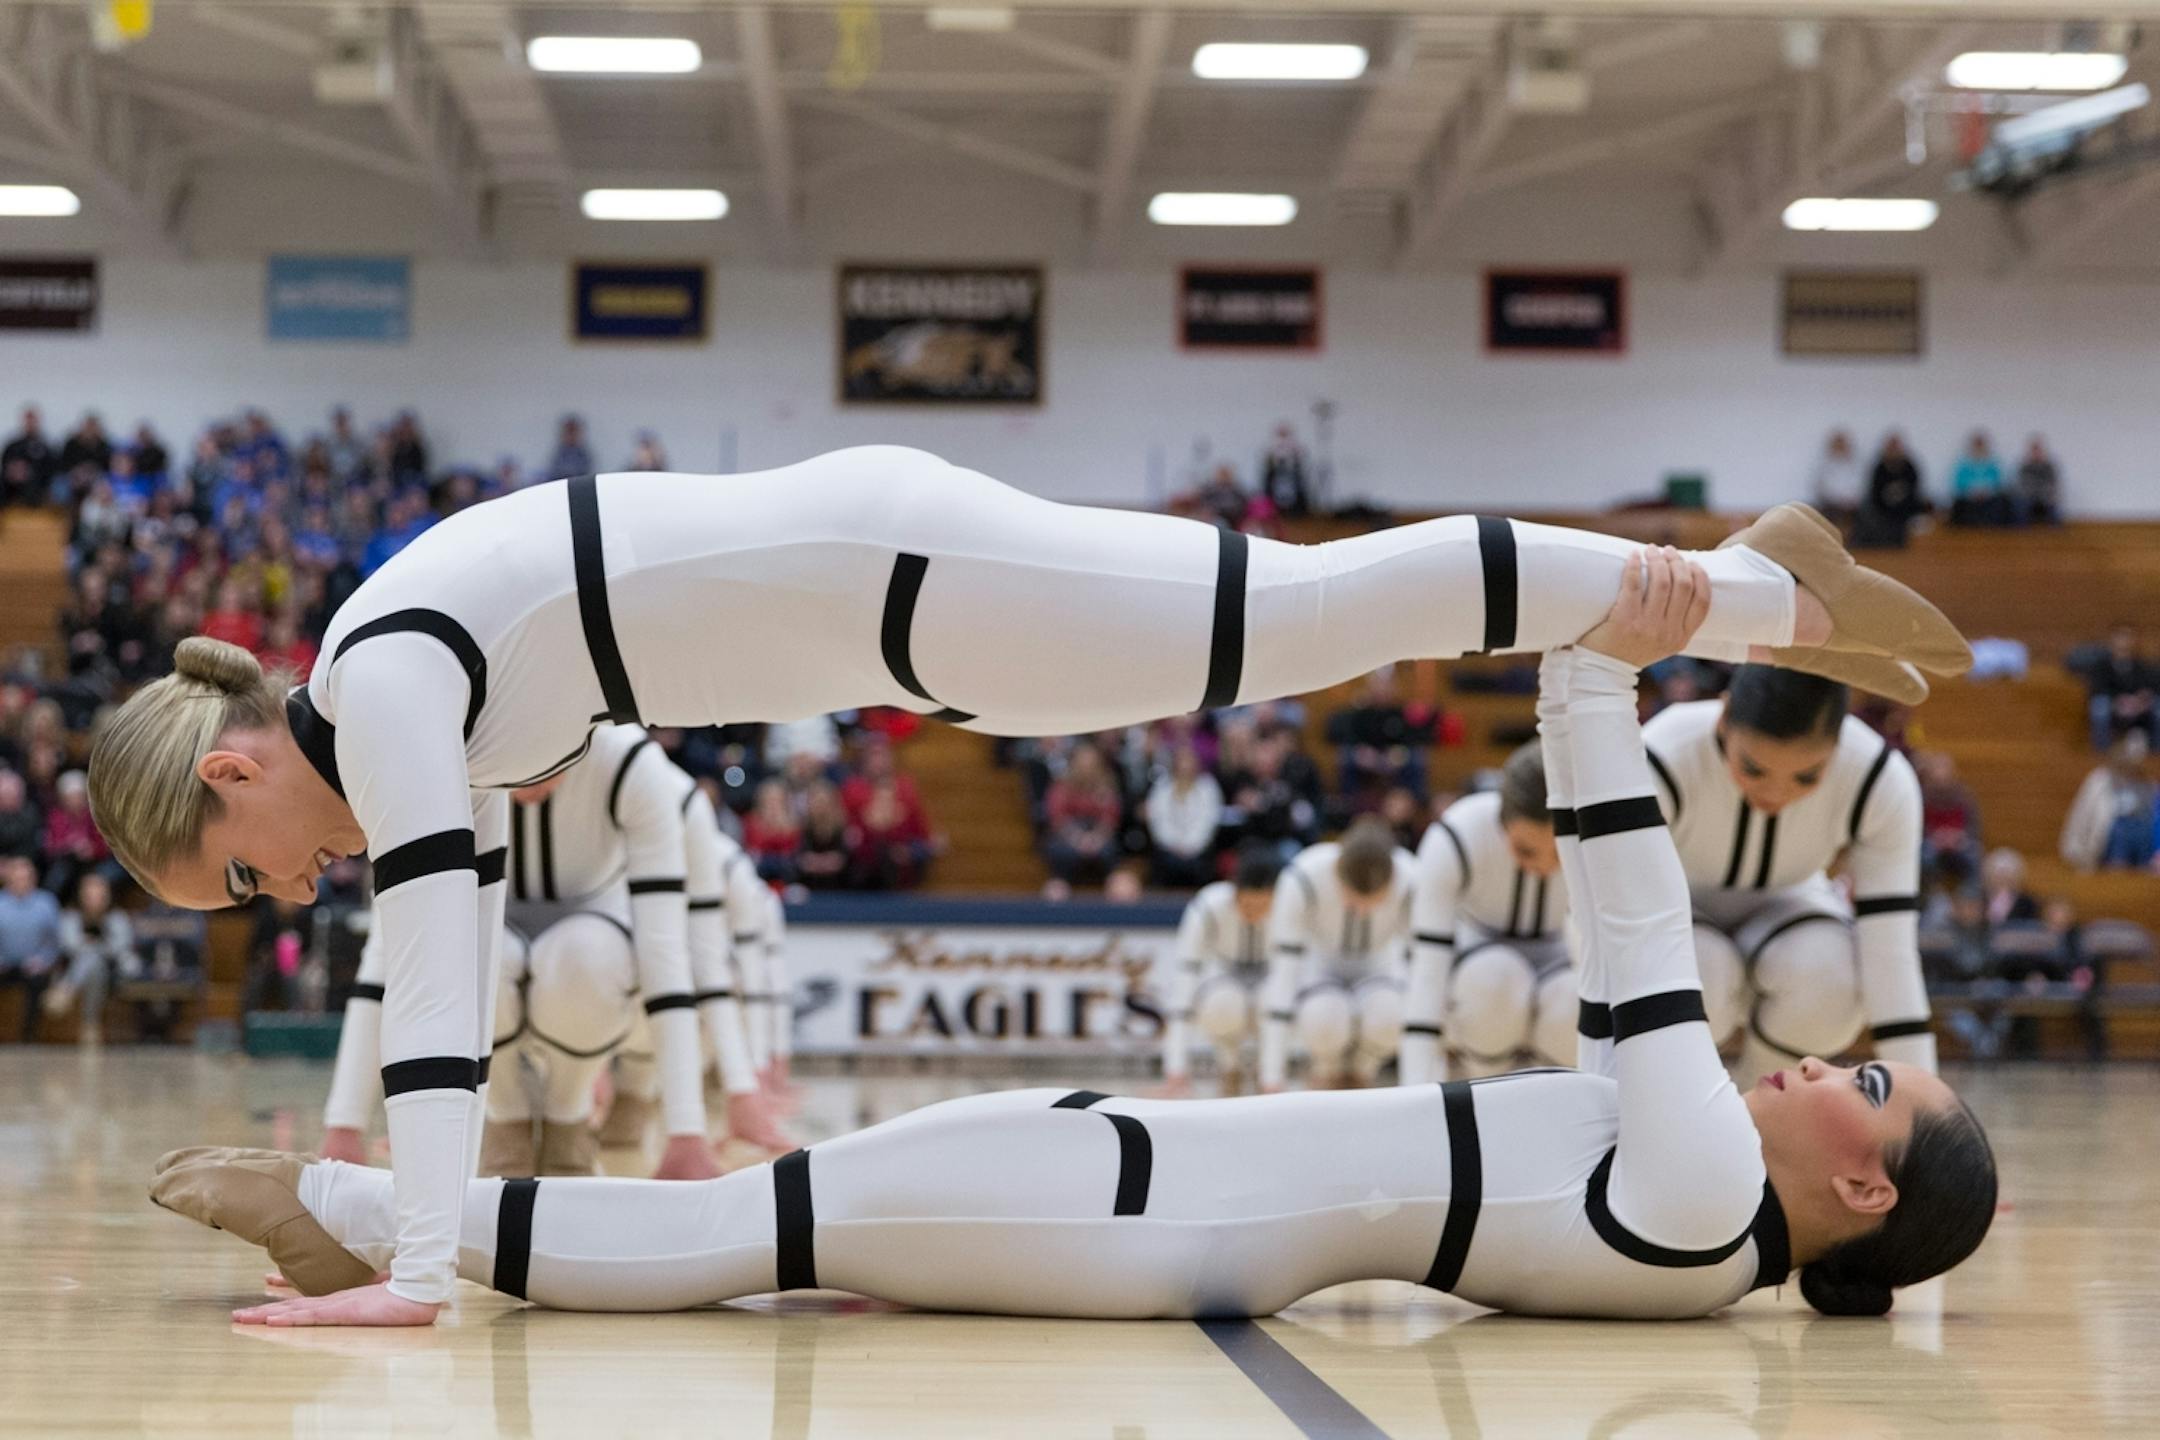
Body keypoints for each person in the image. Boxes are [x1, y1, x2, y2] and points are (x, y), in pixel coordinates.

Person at [89, 453, 1966, 1327]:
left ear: (238, 763)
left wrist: (419, 1260)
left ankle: (1756, 592)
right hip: (910, 609)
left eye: (236, 875)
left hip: (913, 584)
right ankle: (1744, 592)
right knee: (1300, 615)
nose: (276, 897)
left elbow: (436, 964)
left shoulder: (387, 679)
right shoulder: (396, 678)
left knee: (1301, 611)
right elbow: (444, 950)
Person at [320, 725, 782, 1179]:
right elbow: (392, 949)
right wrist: (343, 1126)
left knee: (588, 956)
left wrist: (687, 1131)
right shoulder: (440, 760)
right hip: (501, 951)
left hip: (600, 961)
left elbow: (670, 956)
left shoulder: (635, 767)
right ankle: (507, 1117)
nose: (532, 766)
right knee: (475, 954)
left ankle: (572, 1109)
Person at [1641, 664, 1936, 1083]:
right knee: (1700, 975)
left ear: (1839, 742)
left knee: (1831, 983)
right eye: (1754, 768)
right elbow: (1615, 916)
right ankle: (1684, 1110)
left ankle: (1759, 1118)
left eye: (1807, 776)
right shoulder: (1663, 752)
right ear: (1724, 719)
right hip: (1673, 910)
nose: (1775, 793)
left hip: (1792, 907)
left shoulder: (1878, 778)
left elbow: (1890, 953)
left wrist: (1924, 1109)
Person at [1402, 742, 1573, 1083]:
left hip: (1557, 957)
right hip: (1476, 965)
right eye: (1526, 850)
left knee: (1576, 1000)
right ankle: (1487, 1088)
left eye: (1560, 852)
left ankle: (1551, 1094)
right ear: (1501, 820)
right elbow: (1427, 970)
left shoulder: (1594, 837)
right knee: (1496, 981)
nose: (1543, 867)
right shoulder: (1456, 835)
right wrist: (1413, 1090)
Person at [1257, 818, 1417, 1090]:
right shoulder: (1303, 876)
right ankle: (1325, 1071)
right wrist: (1272, 1076)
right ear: (1336, 872)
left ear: (1391, 880)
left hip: (1379, 969)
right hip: (1320, 970)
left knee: (1391, 1016)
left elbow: (1425, 973)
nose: (1362, 911)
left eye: (1372, 901)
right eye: (1353, 899)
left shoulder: (1413, 878)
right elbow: (1283, 974)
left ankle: (1364, 1071)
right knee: (1324, 1018)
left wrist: (1420, 1085)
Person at [1158, 845, 1278, 1094]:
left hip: (1271, 983)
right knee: (1223, 1003)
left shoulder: (1289, 907)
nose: (1253, 914)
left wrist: (1275, 1074)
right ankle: (1229, 1066)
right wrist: (1175, 1068)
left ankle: (1266, 1071)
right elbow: (1184, 985)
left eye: (1262, 906)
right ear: (1233, 891)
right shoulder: (1208, 906)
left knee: (1276, 1001)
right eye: (1247, 905)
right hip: (1223, 985)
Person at [2059, 731, 2157, 872]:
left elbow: (2154, 816)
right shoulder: (2099, 780)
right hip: (2106, 839)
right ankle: (2118, 869)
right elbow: (2081, 815)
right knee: (2120, 830)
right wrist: (2075, 848)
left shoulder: (2148, 784)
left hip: (2142, 837)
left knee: (2143, 830)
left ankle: (2145, 870)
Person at [1143, 743, 1223, 888]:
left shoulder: (1208, 787)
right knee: (1163, 861)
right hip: (1168, 849)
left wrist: (1190, 846)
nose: (1185, 766)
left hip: (1198, 849)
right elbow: (1158, 821)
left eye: (1189, 761)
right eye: (1182, 761)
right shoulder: (1162, 787)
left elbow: (1208, 821)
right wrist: (1174, 845)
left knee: (1202, 864)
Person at [0, 855, 62, 1038]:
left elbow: (55, 942)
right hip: (4, 965)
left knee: (38, 984)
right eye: (16, 878)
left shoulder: (47, 903)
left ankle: (29, 1035)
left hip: (35, 966)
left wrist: (43, 960)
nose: (21, 882)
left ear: (33, 879)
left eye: (25, 878)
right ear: (8, 879)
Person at [2083, 623, 2156, 751]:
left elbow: (2151, 685)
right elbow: (2097, 688)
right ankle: (2101, 751)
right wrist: (2117, 700)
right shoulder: (2101, 666)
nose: (2124, 641)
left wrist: (2141, 700)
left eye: (2128, 636)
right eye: (2121, 636)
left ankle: (2156, 751)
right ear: (2112, 639)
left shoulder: (2143, 666)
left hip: (2138, 707)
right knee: (2099, 707)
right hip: (2113, 704)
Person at [1858, 434, 1927, 547]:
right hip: (1882, 513)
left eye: (1896, 448)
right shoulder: (1879, 468)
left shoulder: (1910, 467)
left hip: (1905, 513)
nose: (1894, 451)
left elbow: (1914, 492)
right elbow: (1875, 494)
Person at [1947, 432, 2005, 528]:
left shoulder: (1992, 464)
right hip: (1968, 496)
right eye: (1976, 446)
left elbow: (1998, 482)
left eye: (1981, 445)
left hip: (1988, 496)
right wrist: (1972, 491)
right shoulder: (1964, 464)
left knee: (2000, 503)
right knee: (1959, 504)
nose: (1979, 448)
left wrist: (1986, 491)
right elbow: (1958, 482)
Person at [1810, 429, 1863, 530]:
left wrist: (1849, 501)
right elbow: (1822, 489)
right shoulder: (1824, 466)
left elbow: (1859, 487)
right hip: (1831, 505)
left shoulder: (1855, 466)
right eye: (1838, 445)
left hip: (1851, 506)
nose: (1840, 448)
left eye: (1843, 445)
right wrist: (1838, 501)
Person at [2012, 435, 2060, 524]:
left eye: (2038, 451)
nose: (2036, 453)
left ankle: (2055, 531)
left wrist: (2043, 492)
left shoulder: (2049, 467)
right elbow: (2023, 483)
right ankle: (2021, 530)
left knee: (2052, 501)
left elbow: (2052, 483)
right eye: (2034, 451)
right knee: (2020, 502)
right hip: (2029, 495)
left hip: (2044, 495)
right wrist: (2032, 491)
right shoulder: (2025, 467)